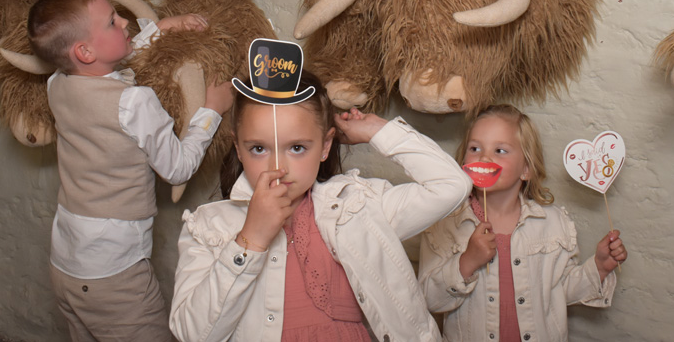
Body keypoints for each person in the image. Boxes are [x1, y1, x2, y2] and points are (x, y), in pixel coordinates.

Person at [170, 70, 472, 342]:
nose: (278, 166)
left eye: (297, 147)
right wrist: (250, 240)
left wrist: (377, 131)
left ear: (326, 146)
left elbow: (451, 186)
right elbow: (192, 333)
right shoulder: (209, 225)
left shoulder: (357, 207)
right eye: (259, 148)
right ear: (238, 148)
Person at [26, 0, 234, 342]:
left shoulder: (57, 84)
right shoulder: (134, 102)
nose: (124, 22)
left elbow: (107, 62)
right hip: (114, 274)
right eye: (111, 21)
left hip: (65, 264)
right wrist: (211, 110)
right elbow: (177, 169)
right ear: (85, 50)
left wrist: (165, 27)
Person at [419, 105, 628, 342]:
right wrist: (467, 262)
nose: (484, 158)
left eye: (500, 150)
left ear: (526, 169)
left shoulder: (553, 224)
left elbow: (560, 292)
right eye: (475, 148)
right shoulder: (444, 225)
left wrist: (600, 267)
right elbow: (427, 300)